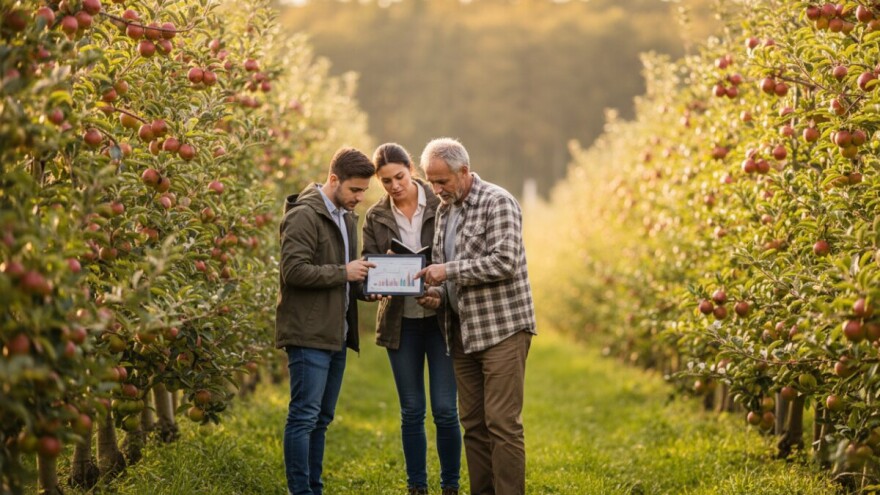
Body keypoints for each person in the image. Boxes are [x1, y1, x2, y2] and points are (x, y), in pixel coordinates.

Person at [415, 137, 536, 495]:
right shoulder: (445, 211)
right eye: (431, 182)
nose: (436, 189)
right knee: (473, 424)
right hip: (462, 331)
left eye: (442, 181)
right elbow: (447, 275)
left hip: (502, 329)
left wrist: (448, 271)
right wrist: (436, 295)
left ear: (464, 171)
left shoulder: (498, 202)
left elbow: (504, 261)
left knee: (502, 423)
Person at [361, 143, 462, 495]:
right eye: (386, 181)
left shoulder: (441, 204)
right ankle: (416, 486)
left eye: (400, 177)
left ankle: (450, 485)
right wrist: (376, 280)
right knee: (412, 410)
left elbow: (455, 255)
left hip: (440, 318)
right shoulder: (375, 216)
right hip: (400, 321)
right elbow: (368, 265)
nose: (395, 186)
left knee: (446, 409)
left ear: (411, 170)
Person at [276, 146, 377, 495]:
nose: (359, 197)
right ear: (334, 179)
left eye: (364, 190)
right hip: (308, 333)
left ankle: (313, 488)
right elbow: (293, 271)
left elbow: (344, 276)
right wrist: (344, 272)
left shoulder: (346, 217)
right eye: (355, 189)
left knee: (321, 418)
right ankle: (300, 491)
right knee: (304, 417)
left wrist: (366, 289)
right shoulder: (304, 215)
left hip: (336, 333)